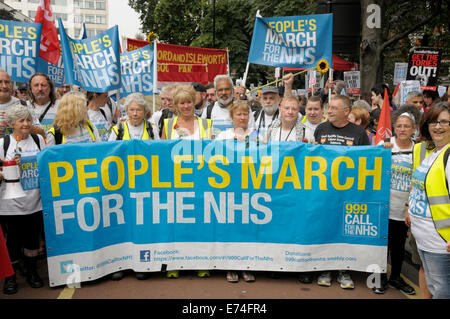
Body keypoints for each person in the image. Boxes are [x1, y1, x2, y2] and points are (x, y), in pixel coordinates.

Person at [314, 95, 370, 289]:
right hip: (324, 192)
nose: (329, 111)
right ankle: (325, 268)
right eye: (329, 108)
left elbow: (367, 161)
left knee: (344, 231)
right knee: (325, 229)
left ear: (346, 112)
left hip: (348, 193)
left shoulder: (359, 133)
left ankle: (344, 270)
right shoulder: (320, 129)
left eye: (334, 108)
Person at [161, 85, 212, 279]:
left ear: (194, 102)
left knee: (200, 223)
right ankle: (174, 263)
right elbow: (163, 155)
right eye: (182, 103)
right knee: (176, 223)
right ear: (175, 105)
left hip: (201, 181)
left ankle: (201, 263)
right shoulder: (167, 125)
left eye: (189, 101)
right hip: (176, 182)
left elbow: (212, 152)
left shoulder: (206, 124)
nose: (186, 106)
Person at [372, 106, 420, 295]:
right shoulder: (385, 145)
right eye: (398, 126)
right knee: (382, 245)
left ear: (413, 129)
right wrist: (380, 152)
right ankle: (380, 277)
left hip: (405, 208)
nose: (402, 129)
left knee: (399, 245)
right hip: (384, 206)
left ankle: (396, 277)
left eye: (406, 126)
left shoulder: (419, 150)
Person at [0, 104, 46, 294]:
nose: (26, 124)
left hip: (35, 201)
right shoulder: (3, 144)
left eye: (28, 119)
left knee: (32, 240)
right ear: (11, 124)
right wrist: (8, 168)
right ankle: (10, 278)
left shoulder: (38, 140)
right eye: (21, 121)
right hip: (10, 204)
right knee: (13, 241)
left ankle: (32, 271)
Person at [407, 102, 450, 299]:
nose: (438, 127)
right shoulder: (433, 152)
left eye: (444, 122)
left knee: (442, 291)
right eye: (433, 121)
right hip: (425, 239)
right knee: (434, 288)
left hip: (440, 243)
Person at [215, 100, 256, 284]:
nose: (242, 117)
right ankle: (229, 266)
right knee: (228, 228)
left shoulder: (256, 137)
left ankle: (246, 266)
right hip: (226, 191)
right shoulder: (222, 136)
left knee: (246, 229)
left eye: (245, 114)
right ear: (232, 117)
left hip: (249, 191)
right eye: (239, 114)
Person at [0, 70, 44, 139]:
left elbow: (41, 133)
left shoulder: (23, 105)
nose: (4, 86)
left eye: (7, 82)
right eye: (0, 82)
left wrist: (20, 122)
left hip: (18, 148)